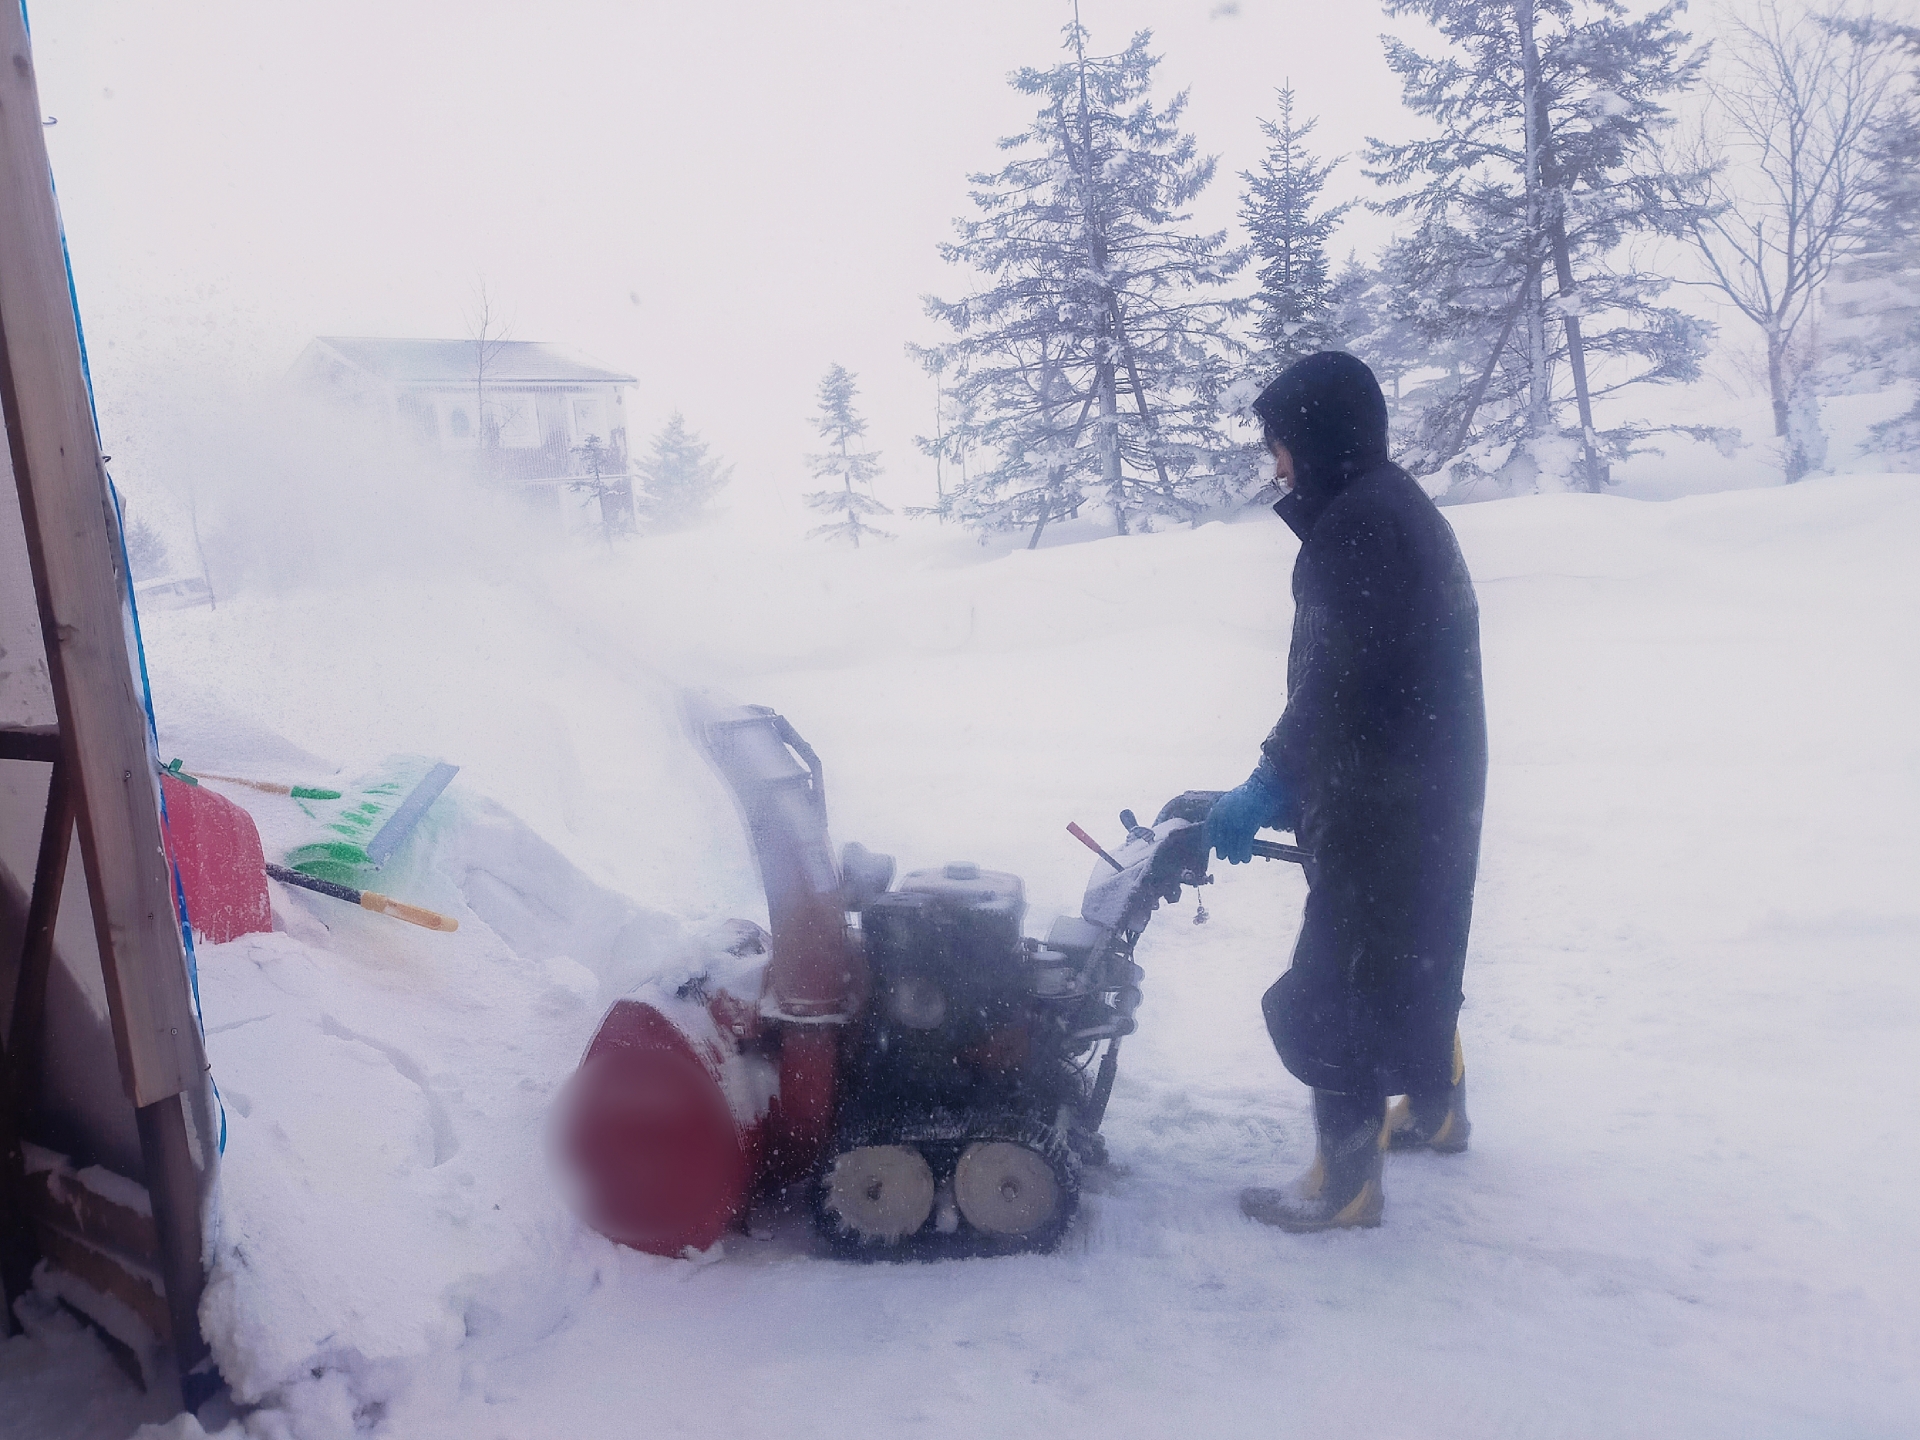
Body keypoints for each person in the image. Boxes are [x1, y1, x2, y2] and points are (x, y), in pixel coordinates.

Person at [1208, 351, 1487, 1232]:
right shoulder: (1394, 502)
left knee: (1343, 976)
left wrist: (1270, 780)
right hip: (1430, 779)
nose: (1276, 462)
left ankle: (1346, 1184)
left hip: (1384, 791)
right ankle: (1439, 1114)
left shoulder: (1357, 527)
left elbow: (1333, 680)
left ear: (1316, 437)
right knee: (1418, 946)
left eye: (1281, 443)